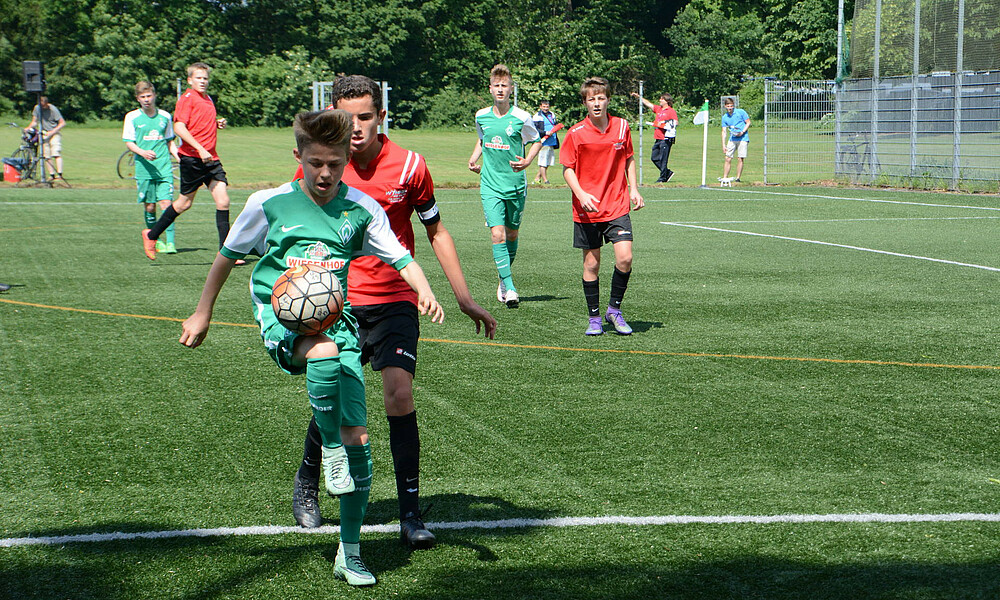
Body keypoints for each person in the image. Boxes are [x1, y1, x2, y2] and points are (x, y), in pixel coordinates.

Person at [180, 109, 444, 587]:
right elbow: (227, 257)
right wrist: (203, 312)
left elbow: (400, 256)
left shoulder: (360, 209)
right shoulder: (269, 203)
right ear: (297, 156)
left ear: (347, 159)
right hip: (281, 321)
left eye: (336, 164)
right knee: (320, 355)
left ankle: (350, 552)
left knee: (359, 440)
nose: (325, 173)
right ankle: (330, 455)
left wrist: (424, 288)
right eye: (316, 162)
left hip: (336, 322)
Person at [290, 76, 497, 549]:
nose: (355, 127)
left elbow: (436, 232)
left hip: (395, 299)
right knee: (337, 399)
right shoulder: (326, 166)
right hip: (336, 303)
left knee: (398, 396)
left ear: (382, 117)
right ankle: (306, 483)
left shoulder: (409, 167)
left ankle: (409, 512)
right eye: (346, 118)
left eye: (365, 116)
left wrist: (463, 297)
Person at [560, 77, 644, 336]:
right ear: (585, 102)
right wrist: (581, 194)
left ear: (608, 99)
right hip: (588, 210)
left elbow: (628, 158)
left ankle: (614, 310)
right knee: (591, 265)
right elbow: (567, 169)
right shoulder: (576, 134)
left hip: (617, 205)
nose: (596, 103)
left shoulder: (622, 127)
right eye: (591, 99)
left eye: (600, 98)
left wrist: (634, 189)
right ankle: (594, 317)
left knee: (625, 258)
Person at [141, 62, 238, 262]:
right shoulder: (187, 99)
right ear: (190, 80)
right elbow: (179, 127)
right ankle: (151, 235)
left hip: (211, 159)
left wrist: (216, 123)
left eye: (205, 78)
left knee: (224, 201)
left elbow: (199, 124)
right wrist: (200, 149)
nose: (202, 82)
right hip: (192, 159)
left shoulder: (208, 98)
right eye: (198, 78)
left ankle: (225, 253)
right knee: (184, 203)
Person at [468, 64, 542, 309]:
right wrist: (474, 158)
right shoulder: (481, 115)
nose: (500, 89)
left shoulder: (521, 117)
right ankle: (509, 286)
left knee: (511, 234)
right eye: (496, 85)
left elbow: (537, 141)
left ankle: (502, 277)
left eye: (504, 85)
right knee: (497, 233)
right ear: (490, 89)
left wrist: (528, 160)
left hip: (515, 185)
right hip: (490, 184)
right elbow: (482, 139)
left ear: (511, 88)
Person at [123, 81, 180, 254]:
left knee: (167, 204)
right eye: (142, 97)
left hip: (163, 167)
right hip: (144, 169)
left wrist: (179, 157)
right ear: (137, 99)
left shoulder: (165, 116)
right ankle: (155, 240)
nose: (146, 100)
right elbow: (129, 143)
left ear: (154, 96)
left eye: (149, 96)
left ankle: (171, 243)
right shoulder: (132, 117)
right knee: (150, 207)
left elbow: (169, 141)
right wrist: (142, 152)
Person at [631, 91, 677, 182]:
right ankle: (667, 173)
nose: (660, 100)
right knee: (654, 157)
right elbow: (648, 104)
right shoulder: (659, 109)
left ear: (666, 101)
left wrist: (663, 123)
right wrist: (639, 97)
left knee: (663, 159)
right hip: (658, 138)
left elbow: (675, 122)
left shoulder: (671, 111)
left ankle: (663, 178)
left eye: (662, 99)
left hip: (666, 138)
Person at [25, 96, 66, 180]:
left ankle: (60, 174)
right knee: (46, 155)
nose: (42, 108)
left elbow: (62, 123)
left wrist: (52, 132)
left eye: (43, 106)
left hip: (54, 133)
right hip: (44, 134)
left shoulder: (53, 109)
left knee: (56, 153)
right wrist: (28, 128)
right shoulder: (37, 108)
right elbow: (34, 121)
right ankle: (51, 175)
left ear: (47, 104)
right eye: (41, 105)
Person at [721, 97, 751, 183]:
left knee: (740, 158)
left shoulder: (741, 112)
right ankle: (725, 177)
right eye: (728, 106)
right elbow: (724, 131)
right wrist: (723, 145)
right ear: (725, 107)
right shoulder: (725, 117)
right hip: (732, 138)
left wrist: (742, 132)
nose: (730, 108)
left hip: (743, 138)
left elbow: (748, 122)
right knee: (728, 158)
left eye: (731, 106)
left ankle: (738, 178)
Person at [531, 100, 561, 184]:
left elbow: (555, 124)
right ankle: (545, 180)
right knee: (543, 162)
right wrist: (545, 133)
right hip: (543, 141)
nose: (545, 108)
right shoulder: (537, 116)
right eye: (544, 106)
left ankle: (537, 178)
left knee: (549, 161)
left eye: (547, 106)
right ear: (540, 107)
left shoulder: (552, 114)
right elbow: (534, 129)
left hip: (552, 140)